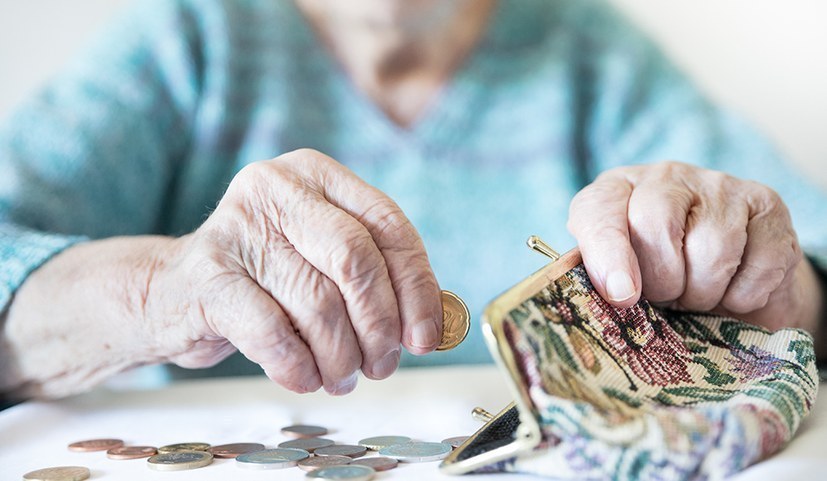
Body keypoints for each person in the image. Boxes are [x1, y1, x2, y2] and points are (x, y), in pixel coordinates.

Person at [1, 0, 825, 402]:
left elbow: (806, 259)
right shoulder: (189, 38)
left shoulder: (592, 58)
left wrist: (777, 285)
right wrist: (157, 291)